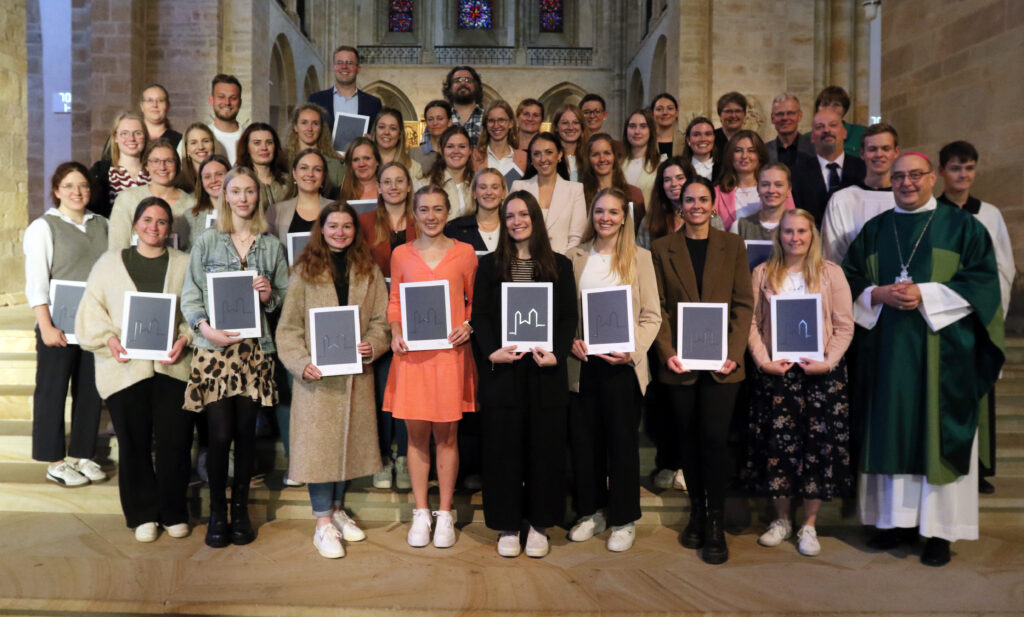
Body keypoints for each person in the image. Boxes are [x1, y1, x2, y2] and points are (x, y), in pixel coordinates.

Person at [843, 153, 1003, 567]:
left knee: (936, 434)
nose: (907, 183)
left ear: (933, 177)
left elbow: (984, 284)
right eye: (898, 177)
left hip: (944, 357)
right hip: (887, 357)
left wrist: (925, 294)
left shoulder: (963, 227)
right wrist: (878, 294)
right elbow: (849, 276)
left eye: (916, 175)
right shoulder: (876, 229)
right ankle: (892, 523)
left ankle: (939, 532)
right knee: (891, 430)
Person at [180, 166, 289, 548]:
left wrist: (267, 296)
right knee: (220, 434)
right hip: (215, 351)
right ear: (225, 196)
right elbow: (190, 295)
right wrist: (203, 328)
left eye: (249, 191)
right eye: (236, 191)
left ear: (258, 197)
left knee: (245, 435)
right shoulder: (208, 242)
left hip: (254, 352)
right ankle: (217, 512)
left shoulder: (271, 246)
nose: (243, 198)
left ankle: (240, 511)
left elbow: (284, 300)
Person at [74, 197, 194, 542]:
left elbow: (194, 311)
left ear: (169, 228)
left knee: (175, 443)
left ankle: (173, 511)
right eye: (147, 219)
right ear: (135, 224)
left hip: (172, 368)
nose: (153, 227)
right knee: (133, 443)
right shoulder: (110, 264)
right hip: (125, 369)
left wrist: (183, 339)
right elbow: (92, 309)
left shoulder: (184, 264)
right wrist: (110, 340)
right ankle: (142, 513)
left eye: (160, 221)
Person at [275, 201, 390, 559]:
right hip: (318, 378)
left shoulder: (368, 270)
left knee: (347, 445)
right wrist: (301, 363)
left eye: (347, 226)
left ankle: (338, 509)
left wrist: (374, 343)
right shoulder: (303, 272)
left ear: (356, 232)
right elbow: (288, 329)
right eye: (333, 226)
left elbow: (382, 321)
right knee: (320, 450)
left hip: (356, 374)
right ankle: (322, 523)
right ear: (321, 231)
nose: (340, 232)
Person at [650, 177, 754, 565]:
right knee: (688, 441)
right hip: (680, 363)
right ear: (680, 206)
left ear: (714, 205)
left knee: (714, 439)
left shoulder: (733, 245)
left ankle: (715, 521)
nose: (695, 205)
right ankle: (695, 511)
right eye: (688, 199)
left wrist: (733, 352)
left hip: (723, 365)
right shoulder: (662, 248)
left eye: (703, 199)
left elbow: (744, 303)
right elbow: (657, 306)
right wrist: (667, 352)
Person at [470, 190, 576, 558]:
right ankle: (508, 526)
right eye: (510, 216)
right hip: (504, 372)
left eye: (523, 214)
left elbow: (567, 318)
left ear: (535, 218)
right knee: (503, 452)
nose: (517, 221)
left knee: (545, 451)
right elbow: (480, 316)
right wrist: (491, 352)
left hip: (545, 372)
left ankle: (541, 525)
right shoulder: (488, 266)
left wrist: (558, 355)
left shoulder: (560, 266)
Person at [745, 208, 855, 557]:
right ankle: (781, 520)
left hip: (820, 376)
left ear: (812, 235)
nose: (795, 238)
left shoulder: (830, 273)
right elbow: (751, 324)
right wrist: (764, 361)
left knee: (816, 449)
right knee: (779, 449)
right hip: (778, 376)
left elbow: (844, 325)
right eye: (788, 232)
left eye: (802, 232)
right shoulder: (762, 273)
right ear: (779, 237)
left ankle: (809, 524)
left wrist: (828, 362)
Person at [566, 188, 661, 552]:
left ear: (625, 216)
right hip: (584, 366)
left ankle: (623, 518)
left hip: (623, 368)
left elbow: (652, 315)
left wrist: (632, 350)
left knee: (622, 445)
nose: (605, 218)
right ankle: (591, 512)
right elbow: (566, 315)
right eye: (599, 211)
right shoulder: (574, 257)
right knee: (585, 443)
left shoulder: (640, 258)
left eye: (613, 212)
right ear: (591, 215)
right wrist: (569, 341)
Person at [384, 186, 478, 549]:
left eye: (438, 209)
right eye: (424, 209)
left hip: (449, 357)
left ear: (448, 212)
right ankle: (421, 511)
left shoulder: (465, 253)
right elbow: (395, 302)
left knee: (448, 437)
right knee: (416, 437)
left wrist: (467, 326)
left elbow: (476, 302)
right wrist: (394, 332)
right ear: (414, 213)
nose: (431, 216)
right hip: (412, 357)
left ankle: (445, 512)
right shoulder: (400, 254)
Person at [937, 140, 1016, 494]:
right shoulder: (931, 213)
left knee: (979, 391)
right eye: (955, 168)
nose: (962, 175)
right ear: (941, 173)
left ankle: (980, 465)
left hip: (979, 315)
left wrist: (988, 307)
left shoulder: (990, 214)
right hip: (942, 316)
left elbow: (1004, 268)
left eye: (968, 168)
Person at [23, 162, 108, 487]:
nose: (77, 192)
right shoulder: (44, 227)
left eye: (83, 186)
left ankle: (82, 455)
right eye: (69, 186)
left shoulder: (102, 224)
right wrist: (45, 325)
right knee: (52, 391)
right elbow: (37, 282)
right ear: (57, 191)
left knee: (89, 391)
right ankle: (55, 461)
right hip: (56, 322)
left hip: (91, 324)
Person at [359, 162, 417, 491]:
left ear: (409, 186)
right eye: (387, 181)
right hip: (377, 320)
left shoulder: (422, 222)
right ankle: (382, 457)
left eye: (400, 181)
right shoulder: (365, 223)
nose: (393, 186)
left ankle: (406, 457)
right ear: (378, 187)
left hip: (414, 320)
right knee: (381, 391)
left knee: (408, 392)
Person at [820, 123, 900, 263]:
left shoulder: (906, 199)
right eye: (872, 149)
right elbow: (832, 255)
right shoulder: (842, 199)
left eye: (885, 148)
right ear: (862, 153)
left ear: (896, 152)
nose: (879, 154)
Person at [108, 139, 196, 251]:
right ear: (146, 166)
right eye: (155, 161)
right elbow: (117, 248)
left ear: (177, 165)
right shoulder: (127, 199)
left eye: (169, 161)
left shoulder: (192, 204)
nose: (162, 167)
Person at [511, 132, 587, 254]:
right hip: (525, 261)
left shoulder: (575, 190)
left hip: (563, 263)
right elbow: (512, 229)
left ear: (560, 155)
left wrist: (563, 264)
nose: (543, 159)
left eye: (549, 152)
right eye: (537, 154)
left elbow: (576, 237)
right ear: (531, 158)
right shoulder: (519, 187)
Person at [790, 108, 866, 226]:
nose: (827, 130)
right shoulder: (796, 174)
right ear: (812, 137)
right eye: (820, 127)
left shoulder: (864, 170)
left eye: (833, 125)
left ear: (844, 133)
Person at [715, 130, 795, 231]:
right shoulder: (716, 193)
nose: (745, 156)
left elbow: (792, 223)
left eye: (751, 150)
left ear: (760, 155)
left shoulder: (777, 189)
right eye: (738, 150)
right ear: (730, 155)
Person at [580, 133, 646, 233]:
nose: (602, 159)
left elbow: (640, 233)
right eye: (595, 155)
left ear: (614, 156)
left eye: (607, 153)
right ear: (588, 159)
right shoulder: (579, 195)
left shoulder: (634, 194)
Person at [266, 148, 333, 245]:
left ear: (323, 176)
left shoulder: (337, 209)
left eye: (317, 169)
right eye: (304, 168)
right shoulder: (275, 211)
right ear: (294, 173)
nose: (310, 174)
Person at [308, 45, 383, 132]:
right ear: (334, 67)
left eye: (349, 63)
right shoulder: (316, 100)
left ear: (358, 69)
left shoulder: (373, 104)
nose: (344, 66)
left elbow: (377, 135)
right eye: (339, 63)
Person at [90, 111, 149, 218]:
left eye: (138, 133)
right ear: (115, 137)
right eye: (124, 133)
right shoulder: (100, 172)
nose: (131, 138)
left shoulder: (155, 171)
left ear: (145, 137)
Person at [286, 103, 345, 196]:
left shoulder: (334, 164)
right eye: (304, 122)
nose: (309, 128)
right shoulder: (284, 160)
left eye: (315, 123)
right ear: (295, 127)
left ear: (321, 128)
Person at [444, 168, 507, 253]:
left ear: (503, 193)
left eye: (495, 187)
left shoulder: (513, 227)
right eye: (483, 187)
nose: (489, 192)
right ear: (474, 193)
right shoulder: (454, 228)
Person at [421, 125, 474, 219]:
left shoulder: (478, 184)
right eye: (450, 146)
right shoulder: (424, 185)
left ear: (470, 150)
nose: (456, 151)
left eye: (462, 146)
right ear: (441, 150)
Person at [237, 122, 291, 209]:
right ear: (247, 148)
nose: (264, 148)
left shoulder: (288, 182)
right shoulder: (238, 180)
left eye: (269, 142)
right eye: (257, 143)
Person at [733, 163, 793, 240]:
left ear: (789, 190)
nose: (771, 190)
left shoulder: (801, 225)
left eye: (778, 185)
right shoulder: (740, 227)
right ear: (757, 189)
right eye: (765, 185)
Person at [182, 154, 229, 249]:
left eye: (219, 174)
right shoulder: (190, 217)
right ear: (201, 182)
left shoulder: (243, 212)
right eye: (207, 177)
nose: (213, 180)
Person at [471, 100, 527, 176]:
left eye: (501, 120)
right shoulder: (475, 155)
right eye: (491, 121)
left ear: (510, 123)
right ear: (486, 124)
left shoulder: (523, 157)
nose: (496, 125)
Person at [621, 109, 664, 206]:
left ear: (651, 131)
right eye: (632, 126)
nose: (637, 131)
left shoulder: (662, 163)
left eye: (643, 126)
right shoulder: (617, 164)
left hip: (651, 219)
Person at [813, 85, 867, 159]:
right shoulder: (806, 138)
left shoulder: (862, 133)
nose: (830, 109)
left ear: (844, 109)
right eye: (825, 104)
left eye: (836, 105)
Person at [371, 108, 423, 183]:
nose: (386, 132)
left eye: (393, 128)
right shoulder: (361, 162)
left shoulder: (414, 168)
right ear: (375, 131)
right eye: (381, 127)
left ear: (399, 134)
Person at [204, 74, 245, 165]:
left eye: (233, 98)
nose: (227, 102)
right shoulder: (197, 137)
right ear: (211, 100)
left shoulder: (249, 138)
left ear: (240, 102)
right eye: (221, 97)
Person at [766, 93, 813, 167]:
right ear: (772, 118)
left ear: (800, 116)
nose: (785, 118)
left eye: (790, 113)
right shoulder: (764, 151)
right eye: (780, 114)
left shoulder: (814, 148)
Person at [442, 66, 485, 146]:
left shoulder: (487, 117)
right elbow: (428, 150)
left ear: (476, 86)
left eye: (468, 80)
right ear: (449, 87)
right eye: (457, 80)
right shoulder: (440, 119)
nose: (463, 83)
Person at [409, 100, 452, 172]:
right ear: (426, 123)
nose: (435, 123)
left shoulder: (456, 152)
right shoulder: (415, 153)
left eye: (440, 119)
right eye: (430, 119)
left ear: (449, 122)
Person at [337, 137, 382, 204]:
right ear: (350, 164)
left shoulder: (389, 190)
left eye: (367, 158)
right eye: (356, 160)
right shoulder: (339, 192)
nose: (361, 164)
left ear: (377, 161)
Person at [552, 104, 589, 181]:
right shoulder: (549, 157)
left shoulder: (590, 157)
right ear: (556, 127)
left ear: (582, 127)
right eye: (565, 123)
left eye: (575, 122)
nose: (571, 127)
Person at [138, 84, 182, 149]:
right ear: (142, 106)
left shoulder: (179, 140)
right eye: (149, 100)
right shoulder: (133, 139)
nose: (154, 105)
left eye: (160, 100)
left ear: (168, 106)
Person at [178, 123, 216, 193]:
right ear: (186, 149)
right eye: (193, 143)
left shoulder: (224, 179)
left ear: (213, 145)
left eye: (206, 141)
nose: (201, 147)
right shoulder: (178, 183)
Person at [680, 116, 718, 182]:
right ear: (688, 139)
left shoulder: (724, 167)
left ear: (714, 138)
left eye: (708, 134)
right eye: (696, 135)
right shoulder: (679, 168)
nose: (703, 139)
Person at [650, 93, 684, 158]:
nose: (665, 112)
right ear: (652, 114)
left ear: (676, 113)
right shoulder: (646, 141)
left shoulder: (685, 141)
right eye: (659, 109)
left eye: (670, 108)